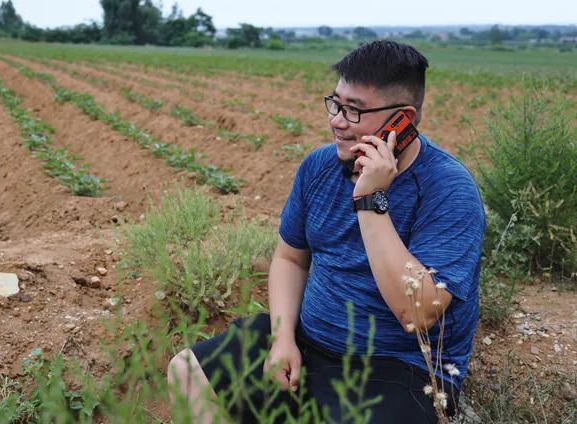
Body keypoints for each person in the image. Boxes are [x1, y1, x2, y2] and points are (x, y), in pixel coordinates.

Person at [167, 40, 485, 423]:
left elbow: (417, 313)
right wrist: (283, 338)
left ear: (403, 119)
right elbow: (290, 258)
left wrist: (370, 199)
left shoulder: (448, 189)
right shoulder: (318, 167)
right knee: (187, 372)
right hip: (307, 342)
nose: (336, 120)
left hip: (397, 367)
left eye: (355, 111)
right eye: (336, 104)